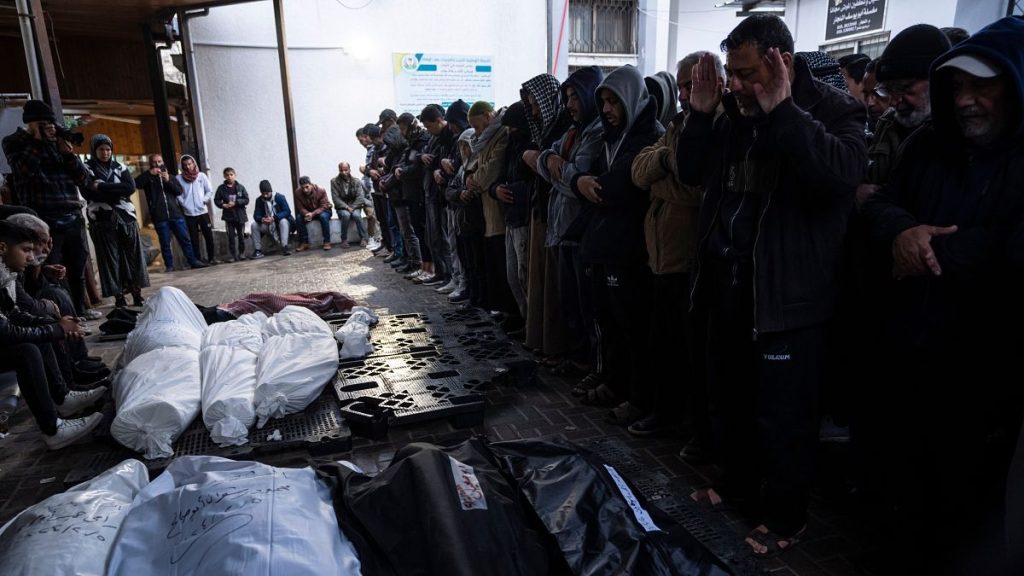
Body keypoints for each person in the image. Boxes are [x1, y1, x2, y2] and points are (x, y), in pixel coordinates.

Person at [677, 14, 866, 556]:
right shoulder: (734, 112)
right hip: (731, 284)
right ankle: (737, 486)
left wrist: (784, 111)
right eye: (730, 73)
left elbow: (838, 175)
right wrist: (700, 117)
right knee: (730, 397)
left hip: (788, 297)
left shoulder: (831, 108)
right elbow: (694, 173)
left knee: (783, 416)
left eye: (745, 73)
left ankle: (786, 517)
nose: (734, 84)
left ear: (780, 61)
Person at [861, 17, 1024, 574]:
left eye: (983, 86)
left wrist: (928, 251)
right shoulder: (929, 143)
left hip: (985, 373)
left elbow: (1010, 249)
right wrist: (902, 232)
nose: (966, 102)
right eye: (957, 88)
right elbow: (880, 204)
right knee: (903, 488)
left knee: (968, 509)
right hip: (910, 353)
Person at [628, 52, 723, 454]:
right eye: (682, 86)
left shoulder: (719, 125)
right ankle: (667, 413)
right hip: (663, 256)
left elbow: (698, 189)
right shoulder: (678, 125)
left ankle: (695, 428)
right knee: (663, 344)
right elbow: (638, 170)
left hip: (692, 259)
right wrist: (666, 161)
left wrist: (659, 181)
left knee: (692, 353)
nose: (686, 93)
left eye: (693, 85)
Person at [570, 64, 662, 422]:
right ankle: (614, 383)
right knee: (609, 322)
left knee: (633, 328)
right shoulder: (611, 137)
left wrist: (588, 184)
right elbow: (586, 182)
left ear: (631, 99)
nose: (606, 108)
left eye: (614, 101)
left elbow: (614, 187)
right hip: (606, 245)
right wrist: (582, 183)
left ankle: (638, 397)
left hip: (631, 250)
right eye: (603, 101)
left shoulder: (647, 136)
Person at [0, 220, 106, 450]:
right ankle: (52, 429)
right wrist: (56, 328)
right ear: (2, 248)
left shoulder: (5, 274)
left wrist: (55, 324)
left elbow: (15, 314)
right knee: (27, 350)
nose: (31, 257)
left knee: (40, 334)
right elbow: (6, 331)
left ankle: (62, 398)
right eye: (26, 250)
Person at [532, 66, 605, 394]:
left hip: (581, 231)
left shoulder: (597, 130)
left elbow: (579, 178)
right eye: (567, 97)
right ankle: (577, 359)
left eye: (576, 96)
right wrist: (554, 164)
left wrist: (561, 171)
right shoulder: (573, 131)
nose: (571, 104)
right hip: (562, 229)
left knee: (587, 305)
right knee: (570, 302)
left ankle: (591, 363)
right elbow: (547, 160)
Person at [2, 100, 92, 316]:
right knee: (51, 268)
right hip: (43, 217)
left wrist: (68, 154)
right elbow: (24, 171)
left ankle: (80, 311)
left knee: (77, 267)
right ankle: (62, 315)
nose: (49, 128)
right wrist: (38, 142)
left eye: (50, 123)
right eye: (43, 123)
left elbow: (82, 177)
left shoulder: (57, 142)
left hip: (71, 213)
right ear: (30, 124)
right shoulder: (14, 142)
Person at [82, 134, 149, 308]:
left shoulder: (120, 167)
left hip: (126, 218)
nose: (105, 153)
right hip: (101, 220)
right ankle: (118, 296)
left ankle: (137, 293)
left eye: (108, 149)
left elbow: (130, 188)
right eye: (101, 149)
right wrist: (117, 191)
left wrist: (103, 186)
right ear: (94, 150)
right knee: (110, 259)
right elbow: (88, 193)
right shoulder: (87, 168)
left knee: (133, 257)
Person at [135, 154, 205, 271]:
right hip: (160, 217)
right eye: (155, 162)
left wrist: (167, 181)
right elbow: (136, 184)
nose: (158, 164)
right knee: (165, 243)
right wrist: (149, 174)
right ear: (150, 164)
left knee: (185, 240)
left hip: (176, 215)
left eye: (160, 161)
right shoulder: (148, 179)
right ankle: (169, 266)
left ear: (163, 162)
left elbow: (178, 191)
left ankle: (193, 261)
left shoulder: (171, 177)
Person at [176, 154, 218, 264]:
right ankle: (198, 259)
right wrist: (184, 203)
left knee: (208, 235)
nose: (188, 167)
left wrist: (204, 200)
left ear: (194, 163)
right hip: (189, 213)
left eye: (190, 164)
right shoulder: (179, 178)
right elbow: (177, 193)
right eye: (185, 165)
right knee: (194, 238)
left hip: (203, 212)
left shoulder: (201, 176)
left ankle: (212, 257)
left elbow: (209, 190)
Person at [213, 167, 250, 262]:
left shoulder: (240, 187)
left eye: (231, 175)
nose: (229, 177)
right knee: (231, 237)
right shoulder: (221, 188)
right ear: (224, 176)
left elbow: (246, 200)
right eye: (227, 175)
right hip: (228, 216)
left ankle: (241, 253)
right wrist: (223, 205)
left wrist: (236, 202)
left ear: (235, 175)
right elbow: (216, 200)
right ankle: (233, 255)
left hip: (240, 215)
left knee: (241, 236)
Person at [250, 180, 294, 257]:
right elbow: (256, 215)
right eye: (263, 194)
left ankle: (285, 246)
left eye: (267, 193)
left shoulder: (279, 197)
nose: (265, 196)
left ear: (271, 191)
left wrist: (274, 218)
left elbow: (287, 211)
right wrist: (262, 219)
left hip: (281, 224)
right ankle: (258, 250)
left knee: (283, 221)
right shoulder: (259, 200)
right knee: (254, 225)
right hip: (268, 225)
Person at [330, 162, 369, 247]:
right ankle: (344, 239)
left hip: (355, 205)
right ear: (339, 170)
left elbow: (360, 197)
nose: (344, 172)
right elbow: (335, 198)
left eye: (346, 170)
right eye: (341, 170)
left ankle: (364, 238)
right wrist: (347, 207)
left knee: (357, 216)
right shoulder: (334, 181)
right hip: (342, 207)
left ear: (349, 170)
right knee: (345, 215)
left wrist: (353, 207)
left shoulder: (356, 181)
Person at [294, 176, 333, 251]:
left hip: (323, 211)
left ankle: (327, 241)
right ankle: (304, 242)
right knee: (299, 218)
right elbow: (300, 207)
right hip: (309, 213)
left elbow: (324, 206)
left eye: (307, 187)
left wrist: (313, 214)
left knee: (323, 217)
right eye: (303, 188)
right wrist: (306, 214)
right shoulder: (298, 193)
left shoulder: (321, 190)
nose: (305, 190)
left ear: (311, 184)